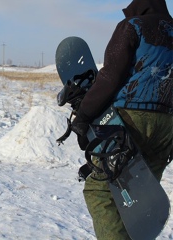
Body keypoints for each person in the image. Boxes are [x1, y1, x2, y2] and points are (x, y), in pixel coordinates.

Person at [71, 0, 173, 239]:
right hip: (168, 126)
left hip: (132, 119)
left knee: (101, 190)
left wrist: (84, 115)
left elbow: (110, 77)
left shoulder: (132, 25)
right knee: (139, 199)